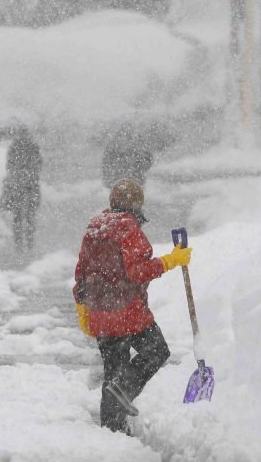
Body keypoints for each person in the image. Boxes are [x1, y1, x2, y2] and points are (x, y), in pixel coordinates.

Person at [72, 178, 191, 433]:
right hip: (127, 313)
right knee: (157, 351)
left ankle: (112, 430)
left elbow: (81, 271)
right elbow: (137, 272)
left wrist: (82, 306)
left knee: (112, 372)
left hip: (100, 314)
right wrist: (171, 260)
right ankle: (124, 388)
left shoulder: (94, 229)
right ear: (137, 204)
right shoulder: (128, 229)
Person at [0, 129, 42, 251]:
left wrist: (17, 174)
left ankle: (19, 243)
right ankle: (29, 242)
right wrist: (30, 172)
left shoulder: (14, 147)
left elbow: (9, 166)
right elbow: (39, 165)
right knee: (29, 215)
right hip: (31, 184)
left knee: (18, 216)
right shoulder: (33, 147)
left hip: (18, 185)